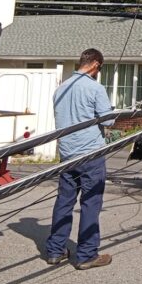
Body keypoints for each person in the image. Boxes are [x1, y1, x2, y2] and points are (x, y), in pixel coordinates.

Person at [43, 48, 114, 270]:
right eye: (99, 68)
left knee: (64, 201)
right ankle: (86, 255)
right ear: (95, 64)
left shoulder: (60, 89)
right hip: (91, 154)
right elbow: (109, 121)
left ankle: (55, 250)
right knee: (90, 203)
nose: (98, 72)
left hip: (67, 154)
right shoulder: (95, 88)